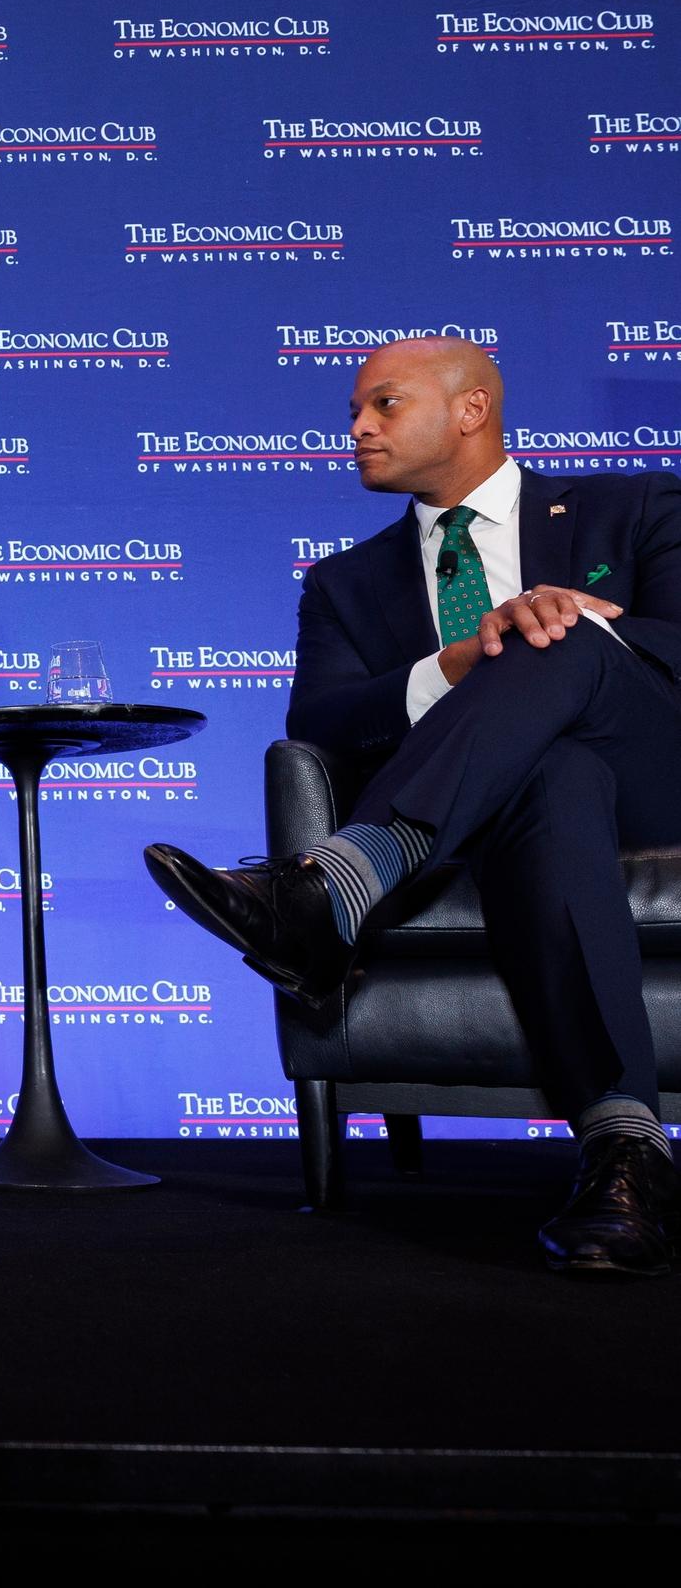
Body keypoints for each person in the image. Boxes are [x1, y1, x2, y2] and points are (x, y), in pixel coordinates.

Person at [145, 335, 681, 1276]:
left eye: (381, 405)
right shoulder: (344, 584)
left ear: (470, 409)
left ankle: (339, 884)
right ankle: (625, 1154)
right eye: (354, 411)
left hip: (655, 781)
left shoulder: (631, 505)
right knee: (551, 777)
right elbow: (318, 722)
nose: (355, 428)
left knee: (553, 630)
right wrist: (456, 665)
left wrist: (562, 628)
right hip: (519, 817)